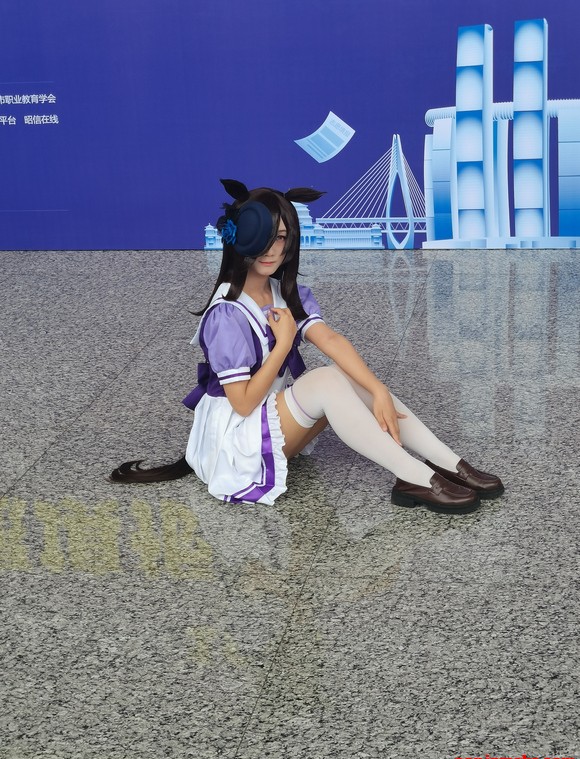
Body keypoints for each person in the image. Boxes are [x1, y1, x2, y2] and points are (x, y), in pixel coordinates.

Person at [110, 179, 504, 513]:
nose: (272, 249)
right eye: (264, 237)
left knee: (345, 376)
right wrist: (283, 344)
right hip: (234, 442)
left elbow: (329, 339)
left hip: (266, 419)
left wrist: (378, 390)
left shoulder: (282, 293)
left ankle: (448, 463)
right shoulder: (226, 315)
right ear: (241, 238)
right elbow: (242, 404)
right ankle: (414, 476)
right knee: (326, 380)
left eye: (281, 237)